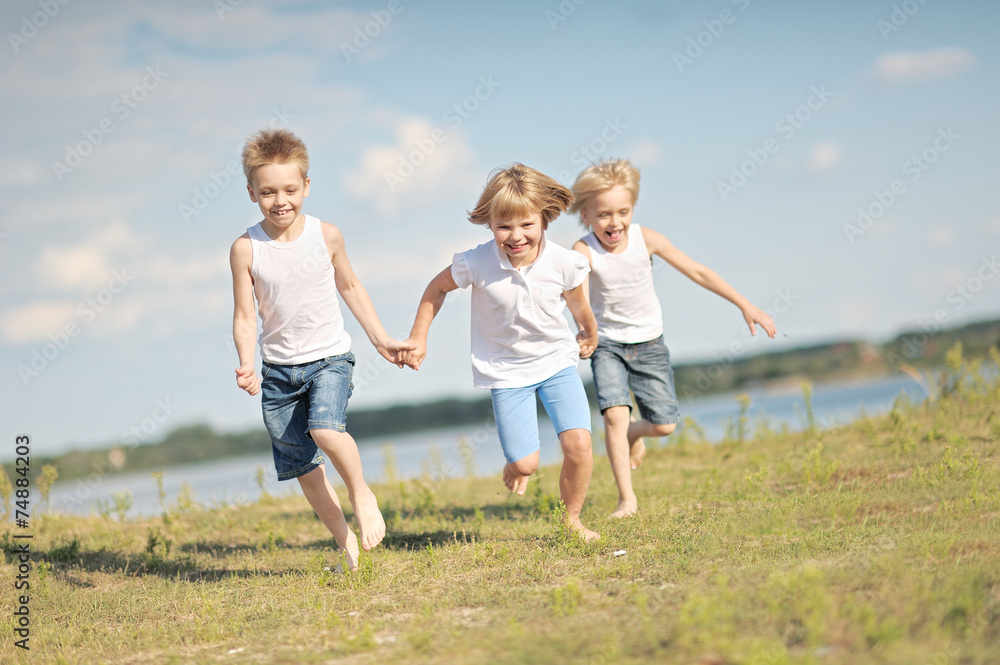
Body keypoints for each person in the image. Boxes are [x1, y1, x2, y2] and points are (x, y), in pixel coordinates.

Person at [229, 128, 411, 569]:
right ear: (251, 192)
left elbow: (350, 286)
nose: (280, 200)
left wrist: (381, 338)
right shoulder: (245, 249)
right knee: (304, 470)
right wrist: (247, 363)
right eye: (268, 191)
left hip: (329, 358)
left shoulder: (326, 236)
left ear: (306, 186)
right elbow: (245, 314)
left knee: (327, 429)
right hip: (278, 374)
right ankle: (344, 540)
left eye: (290, 189)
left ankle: (361, 492)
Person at [401, 163, 601, 542]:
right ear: (489, 223)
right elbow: (436, 289)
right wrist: (419, 336)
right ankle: (516, 463)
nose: (515, 236)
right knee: (527, 464)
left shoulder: (562, 262)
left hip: (556, 362)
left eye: (526, 224)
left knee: (579, 445)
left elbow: (578, 304)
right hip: (506, 372)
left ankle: (572, 520)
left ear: (544, 218)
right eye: (503, 226)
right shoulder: (476, 262)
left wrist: (589, 332)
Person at [570, 159, 777, 518]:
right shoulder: (584, 251)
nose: (615, 222)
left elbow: (697, 271)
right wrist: (587, 332)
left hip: (649, 343)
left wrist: (745, 304)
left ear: (633, 207)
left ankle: (636, 433)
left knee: (665, 425)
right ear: (586, 213)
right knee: (614, 416)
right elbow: (579, 299)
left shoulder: (646, 239)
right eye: (604, 215)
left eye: (623, 211)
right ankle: (627, 500)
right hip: (608, 346)